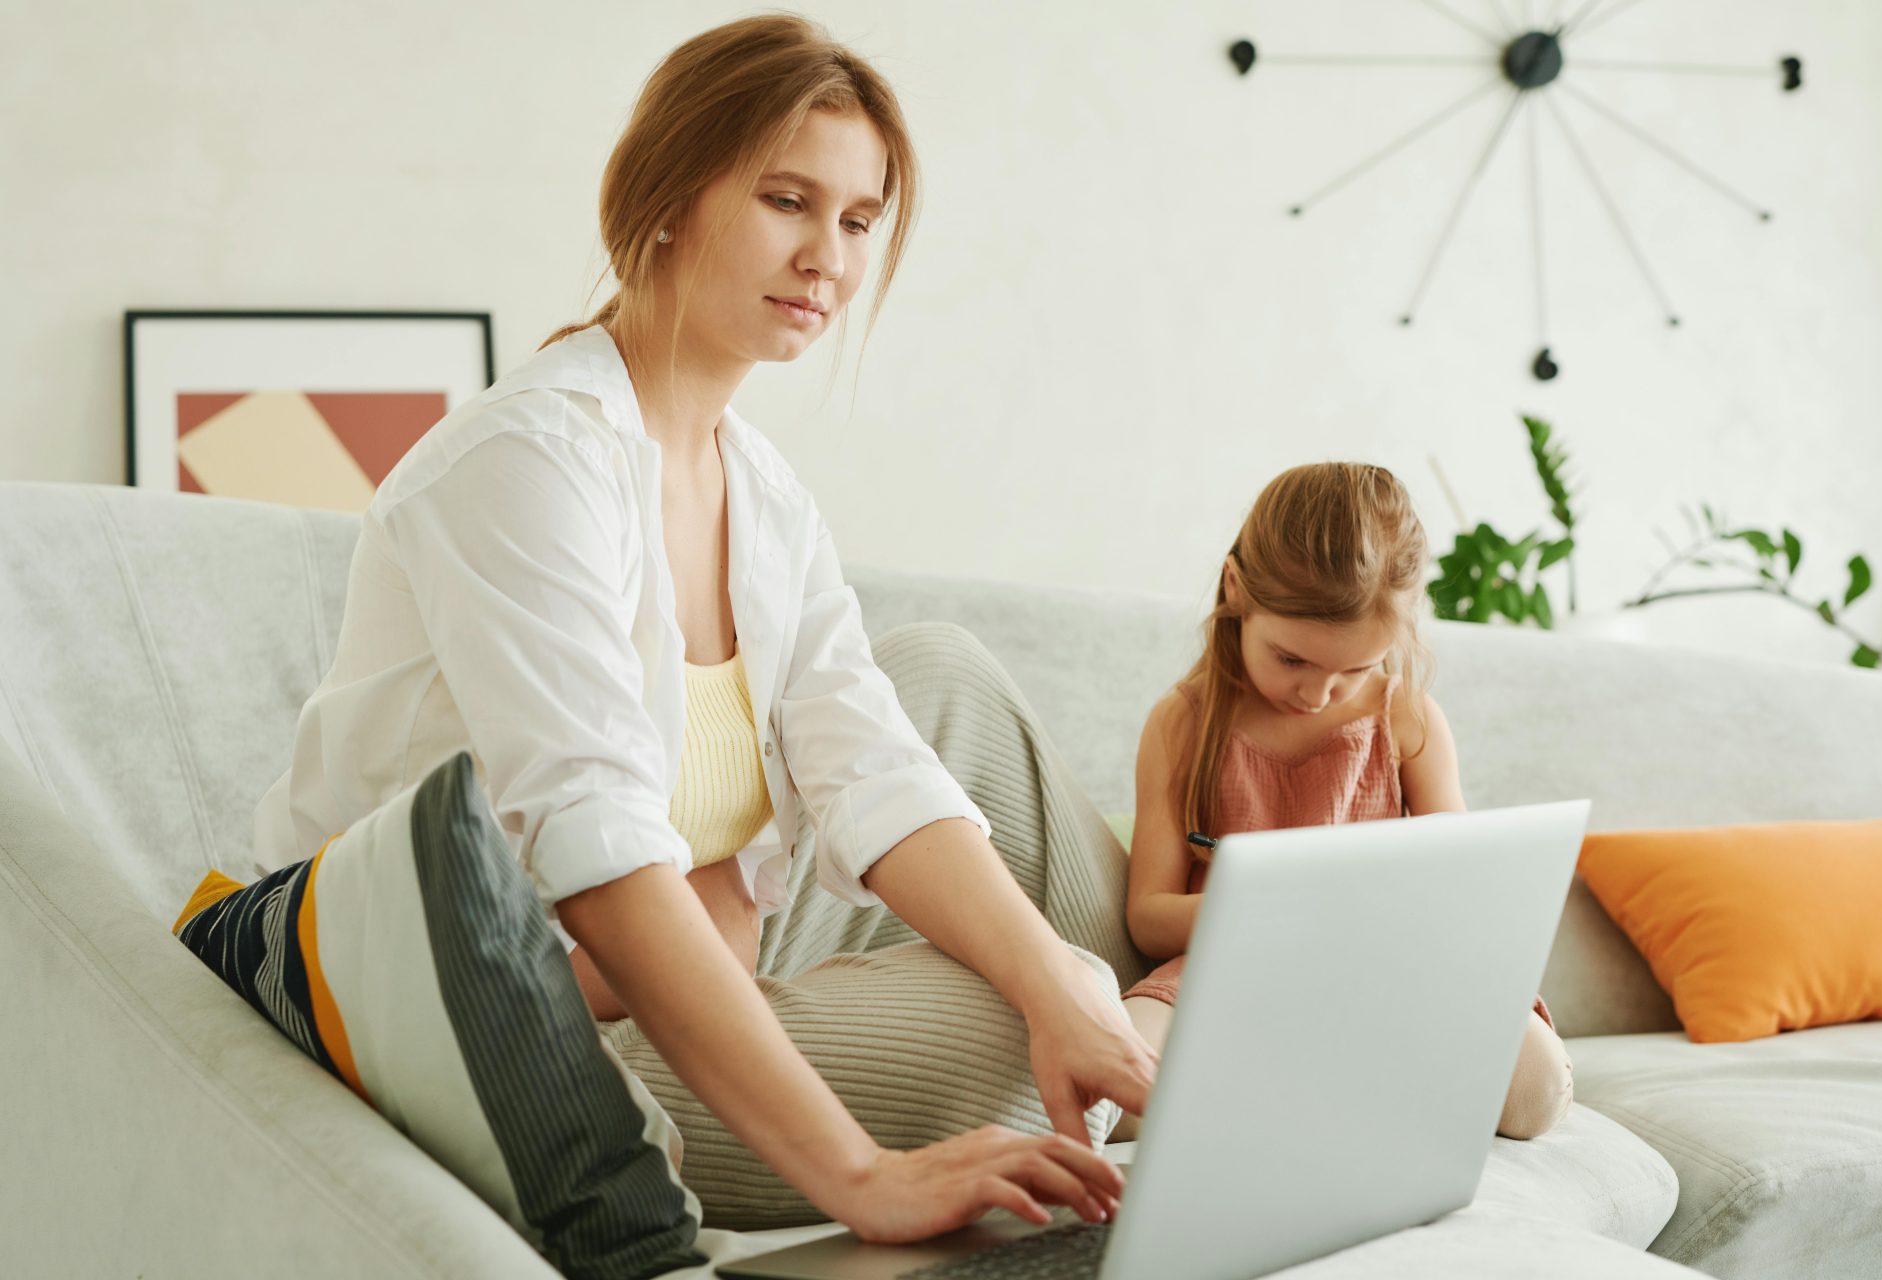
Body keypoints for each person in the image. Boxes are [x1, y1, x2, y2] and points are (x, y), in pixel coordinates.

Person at [250, 13, 1156, 1243]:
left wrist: (1061, 985)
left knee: (956, 718)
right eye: (788, 199)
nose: (827, 257)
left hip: (684, 959)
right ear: (669, 194)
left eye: (856, 219)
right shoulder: (529, 465)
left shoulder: (761, 490)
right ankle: (1184, 1016)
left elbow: (872, 766)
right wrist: (863, 1175)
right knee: (1006, 1026)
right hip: (520, 1026)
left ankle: (1150, 1009)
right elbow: (605, 858)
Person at [1110, 462, 1575, 1143]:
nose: (1317, 694)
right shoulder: (1182, 724)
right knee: (1116, 1101)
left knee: (1536, 1091)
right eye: (1292, 660)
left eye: (1354, 668)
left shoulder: (1407, 717)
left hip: (1387, 973)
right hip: (1230, 972)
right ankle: (1326, 1083)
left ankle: (1315, 1080)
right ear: (1235, 589)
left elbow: (1459, 885)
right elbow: (1149, 917)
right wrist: (1276, 909)